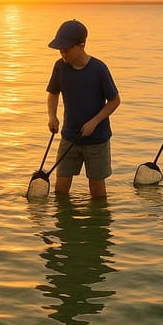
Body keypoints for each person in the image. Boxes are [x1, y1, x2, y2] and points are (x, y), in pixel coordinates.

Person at [46, 19, 121, 197]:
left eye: (66, 48)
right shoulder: (60, 67)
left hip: (97, 140)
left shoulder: (99, 69)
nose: (62, 52)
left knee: (97, 193)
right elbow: (53, 94)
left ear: (81, 46)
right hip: (69, 137)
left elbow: (115, 101)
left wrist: (94, 122)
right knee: (60, 190)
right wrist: (52, 116)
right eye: (60, 49)